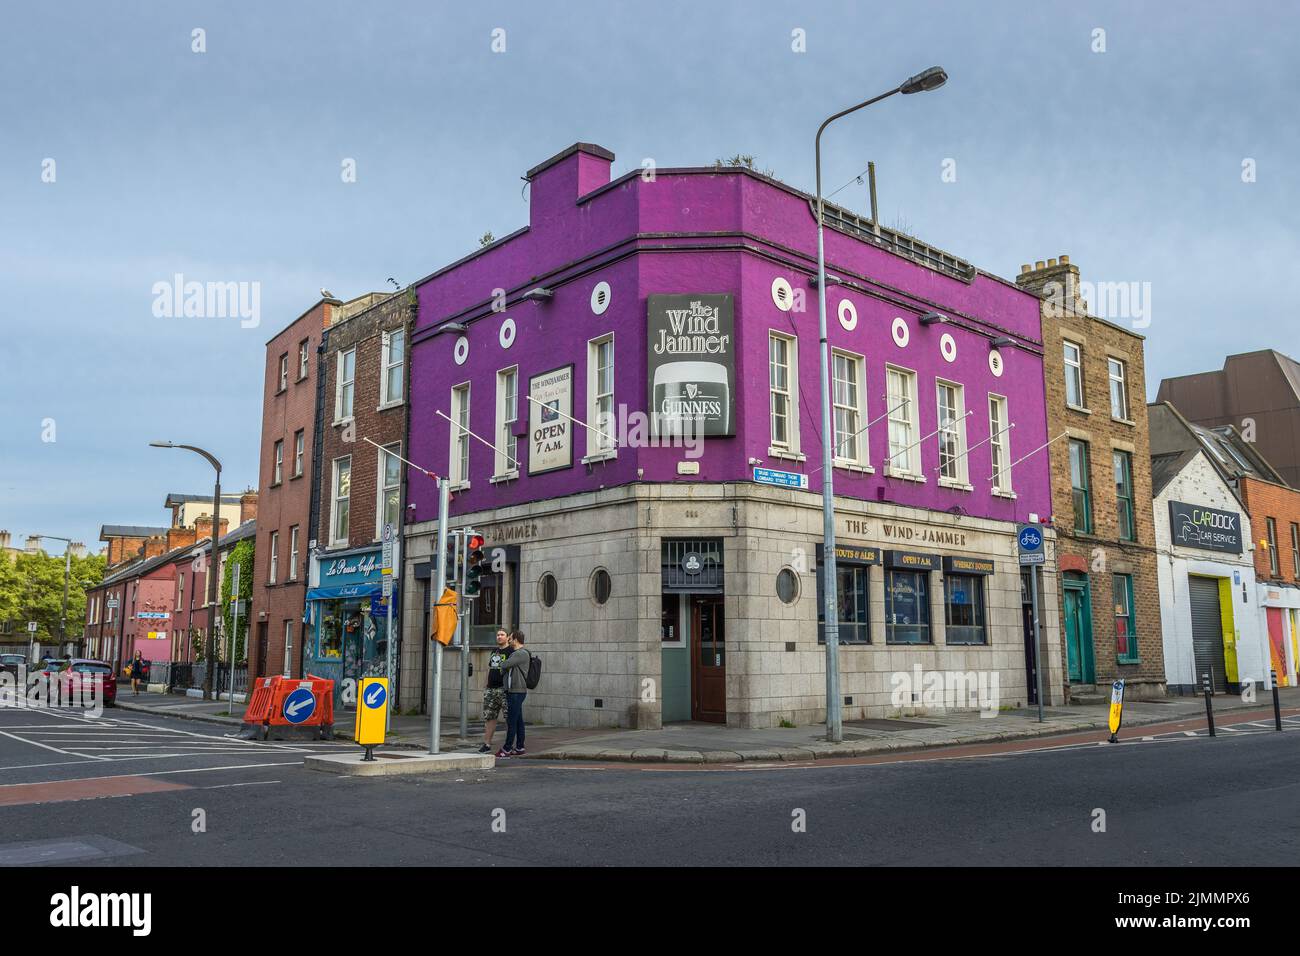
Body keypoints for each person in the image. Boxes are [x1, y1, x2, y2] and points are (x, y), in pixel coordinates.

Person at [497, 630, 531, 758]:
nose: (509, 640)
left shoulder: (520, 653)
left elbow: (504, 664)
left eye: (510, 638)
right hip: (515, 691)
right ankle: (520, 747)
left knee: (512, 721)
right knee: (518, 721)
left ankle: (506, 748)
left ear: (516, 639)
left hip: (516, 691)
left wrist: (503, 666)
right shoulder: (517, 654)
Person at [477, 629, 511, 754]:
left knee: (509, 717)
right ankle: (487, 744)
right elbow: (490, 668)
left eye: (502, 635)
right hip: (491, 689)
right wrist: (486, 684)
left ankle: (509, 744)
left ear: (508, 638)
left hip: (504, 689)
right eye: (497, 635)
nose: (499, 637)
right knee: (490, 717)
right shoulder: (494, 651)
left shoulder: (511, 651)